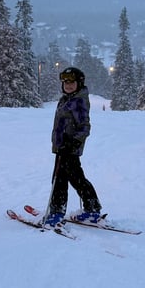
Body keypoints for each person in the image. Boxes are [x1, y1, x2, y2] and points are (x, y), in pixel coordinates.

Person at [43, 66, 103, 228]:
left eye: (72, 82)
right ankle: (91, 209)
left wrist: (73, 142)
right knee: (73, 179)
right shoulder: (67, 99)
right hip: (62, 148)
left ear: (79, 83)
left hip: (69, 148)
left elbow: (85, 126)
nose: (68, 85)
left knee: (61, 180)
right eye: (65, 82)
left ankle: (57, 212)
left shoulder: (78, 101)